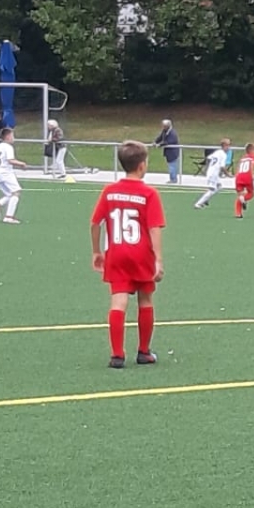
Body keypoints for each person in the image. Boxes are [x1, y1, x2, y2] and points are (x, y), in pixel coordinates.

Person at [91, 140, 166, 367]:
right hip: (142, 254)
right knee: (145, 299)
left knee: (118, 300)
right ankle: (144, 352)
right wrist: (158, 259)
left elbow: (95, 223)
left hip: (116, 254)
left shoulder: (109, 191)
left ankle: (117, 355)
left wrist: (96, 251)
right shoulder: (149, 193)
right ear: (142, 165)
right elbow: (154, 228)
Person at [0, 127, 27, 223]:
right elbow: (10, 160)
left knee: (9, 194)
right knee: (16, 192)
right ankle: (9, 217)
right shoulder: (8, 147)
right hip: (6, 173)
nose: (13, 138)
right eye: (12, 136)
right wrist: (21, 164)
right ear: (8, 136)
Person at [195, 139, 231, 209]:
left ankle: (206, 199)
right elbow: (222, 167)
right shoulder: (223, 154)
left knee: (219, 186)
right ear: (224, 145)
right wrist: (228, 174)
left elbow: (208, 158)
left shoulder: (218, 152)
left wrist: (207, 168)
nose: (229, 147)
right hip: (213, 174)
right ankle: (198, 204)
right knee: (212, 189)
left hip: (213, 173)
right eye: (228, 145)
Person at [232, 143, 254, 217]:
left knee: (240, 195)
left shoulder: (242, 158)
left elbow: (239, 168)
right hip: (247, 177)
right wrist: (252, 174)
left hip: (239, 177)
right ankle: (243, 199)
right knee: (251, 194)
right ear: (252, 150)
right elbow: (252, 166)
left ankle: (238, 213)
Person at [154, 120, 180, 184]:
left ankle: (173, 179)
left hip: (173, 152)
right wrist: (155, 142)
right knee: (171, 166)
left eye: (165, 126)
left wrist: (159, 145)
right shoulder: (164, 131)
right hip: (168, 152)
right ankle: (173, 179)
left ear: (168, 126)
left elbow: (168, 142)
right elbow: (160, 137)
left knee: (172, 166)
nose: (163, 127)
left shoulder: (172, 133)